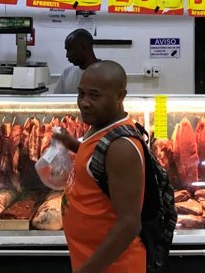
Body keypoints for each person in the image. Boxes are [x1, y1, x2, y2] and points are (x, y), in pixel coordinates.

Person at [54, 60, 146, 273]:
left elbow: (130, 224)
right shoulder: (99, 126)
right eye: (81, 93)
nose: (84, 102)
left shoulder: (122, 147)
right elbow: (97, 163)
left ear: (120, 96)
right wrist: (73, 145)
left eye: (94, 96)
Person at [53, 28, 99, 94]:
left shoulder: (105, 74)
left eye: (70, 50)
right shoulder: (68, 71)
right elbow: (56, 99)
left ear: (83, 47)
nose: (67, 55)